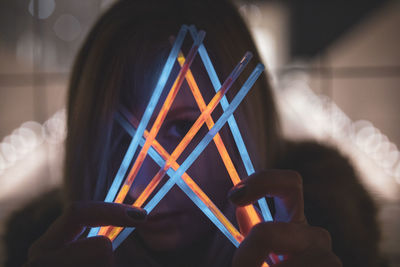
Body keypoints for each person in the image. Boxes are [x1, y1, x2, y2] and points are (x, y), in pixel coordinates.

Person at [4, 0, 385, 266]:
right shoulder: (40, 251)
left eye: (183, 127)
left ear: (246, 120)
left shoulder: (332, 246)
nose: (141, 177)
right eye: (119, 134)